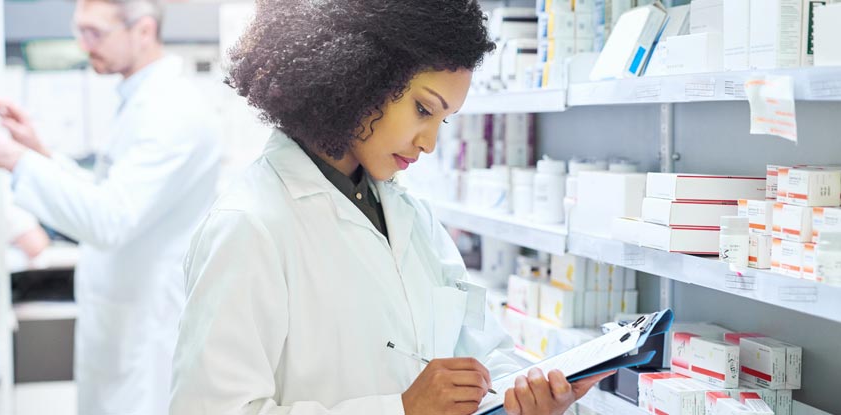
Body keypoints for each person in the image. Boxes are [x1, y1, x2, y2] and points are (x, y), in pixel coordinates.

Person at [169, 0, 610, 414]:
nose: (430, 143)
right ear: (357, 76)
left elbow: (478, 353)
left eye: (443, 120)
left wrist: (524, 392)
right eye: (423, 109)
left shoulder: (409, 215)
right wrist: (400, 409)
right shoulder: (249, 225)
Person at [0, 0, 221, 413]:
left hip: (149, 326)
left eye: (95, 32)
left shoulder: (172, 110)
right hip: (126, 315)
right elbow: (108, 189)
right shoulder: (144, 99)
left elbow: (110, 218)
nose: (82, 44)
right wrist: (38, 151)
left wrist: (13, 159)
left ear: (143, 31)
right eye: (79, 31)